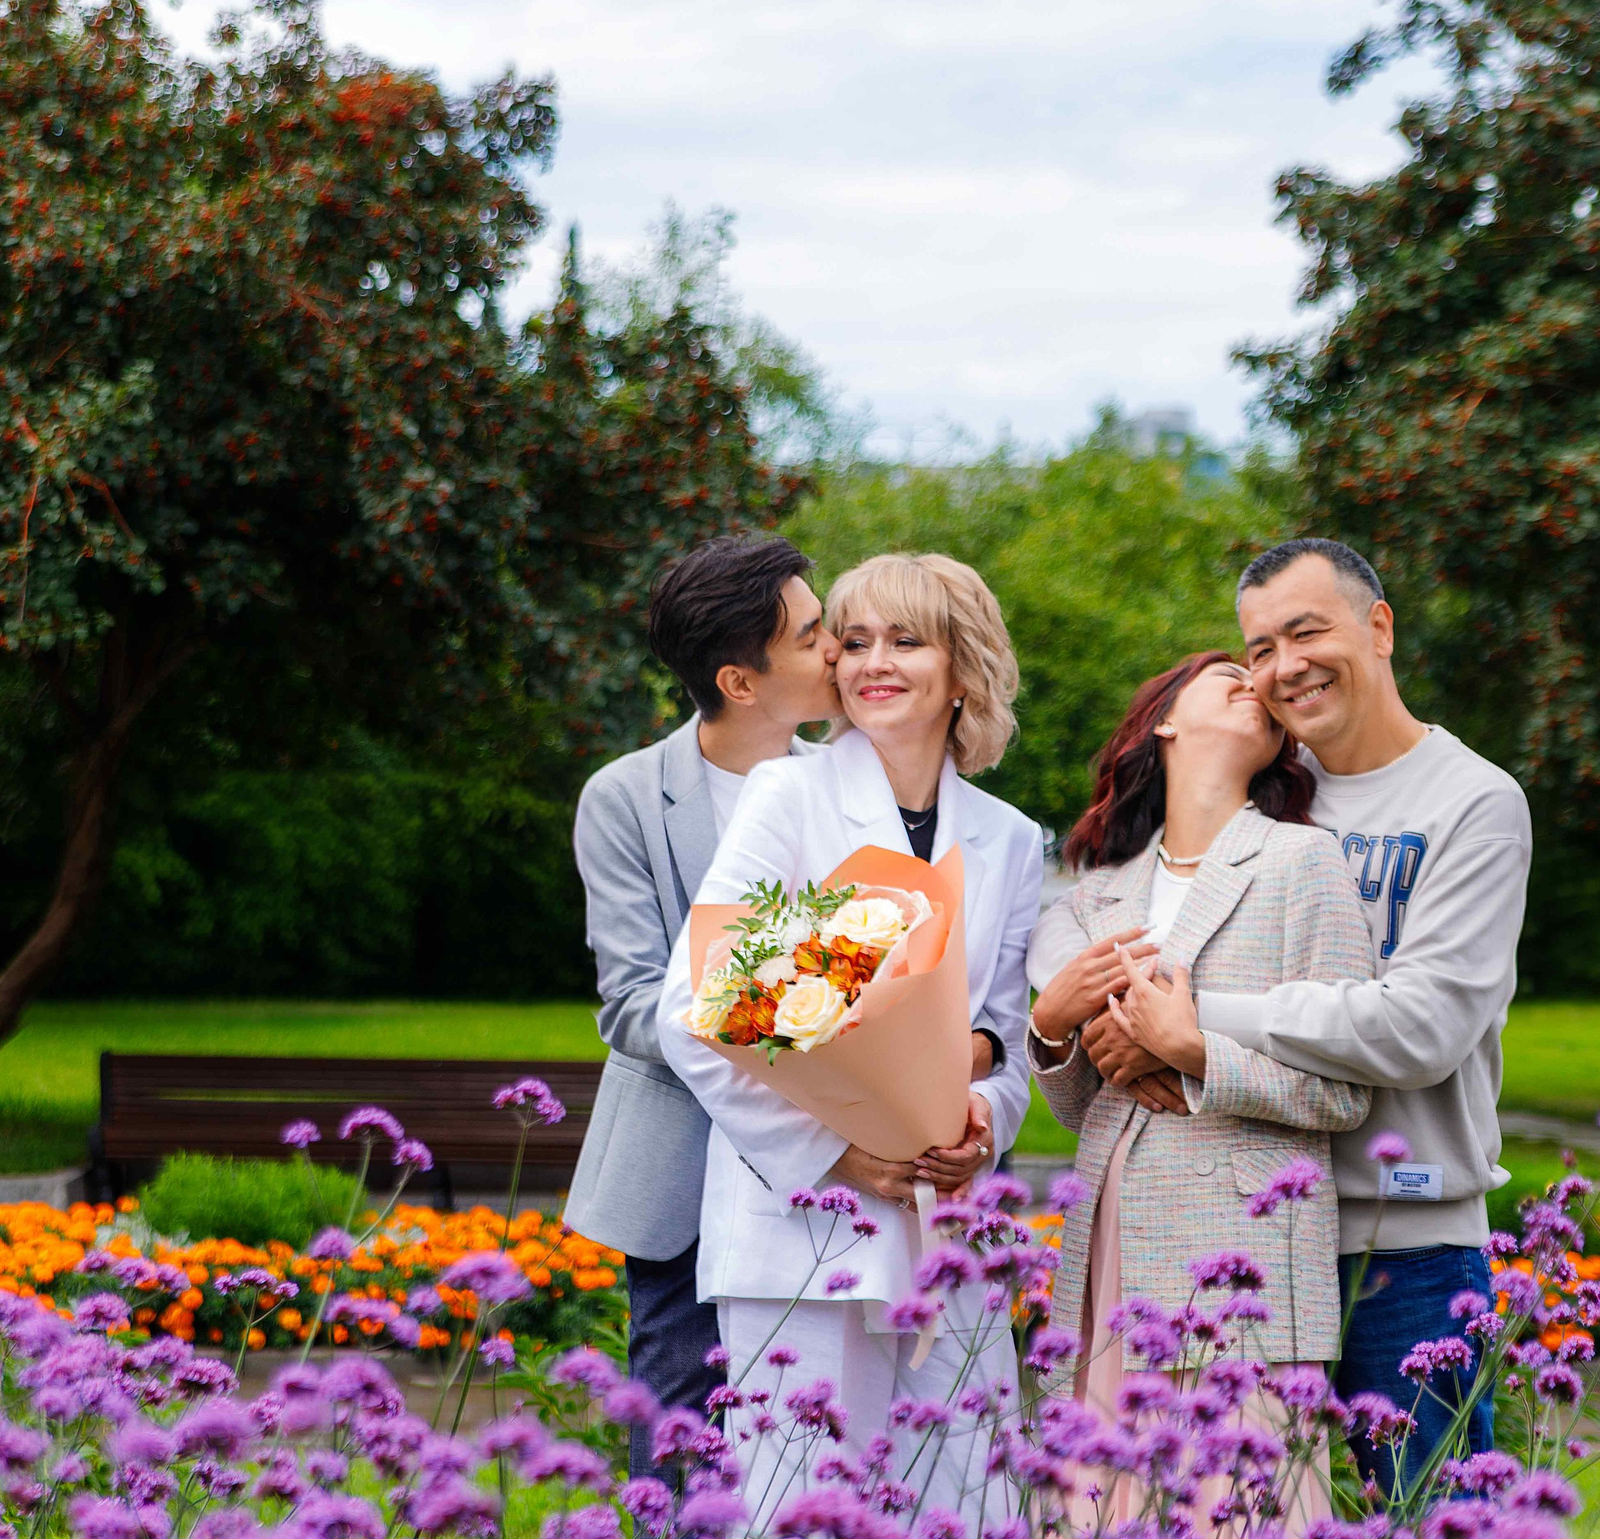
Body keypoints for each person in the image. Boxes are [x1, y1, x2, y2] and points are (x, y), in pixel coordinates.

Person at [1087, 538, 1530, 1485]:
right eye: (1258, 648)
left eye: (1305, 631)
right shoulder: (1270, 794)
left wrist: (1199, 1026)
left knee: (1429, 1504)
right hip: (1246, 1233)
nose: (1284, 666)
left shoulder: (1474, 803)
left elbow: (1421, 1027)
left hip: (1398, 1241)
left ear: (1379, 628)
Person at [655, 552, 1042, 1526]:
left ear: (964, 667)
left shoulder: (1011, 838)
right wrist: (836, 1150)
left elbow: (1002, 1035)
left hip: (946, 1233)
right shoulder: (785, 795)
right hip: (803, 1239)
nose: (869, 661)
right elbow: (698, 1012)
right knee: (801, 1514)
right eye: (853, 638)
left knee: (965, 1510)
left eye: (905, 641)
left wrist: (982, 1129)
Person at [1027, 651, 1375, 1528]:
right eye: (1229, 673)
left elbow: (1344, 1094)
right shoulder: (1092, 896)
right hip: (1112, 1250)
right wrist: (1049, 1030)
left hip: (1246, 1264)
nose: (1254, 682)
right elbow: (1087, 1111)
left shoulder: (1306, 862)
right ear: (1164, 721)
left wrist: (1192, 1052)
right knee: (1101, 1507)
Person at [563, 533, 843, 1470]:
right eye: (811, 636)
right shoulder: (626, 798)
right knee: (680, 1430)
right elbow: (632, 1008)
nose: (837, 648)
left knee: (819, 1422)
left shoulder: (852, 785)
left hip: (832, 1158)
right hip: (681, 1168)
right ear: (741, 680)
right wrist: (782, 1022)